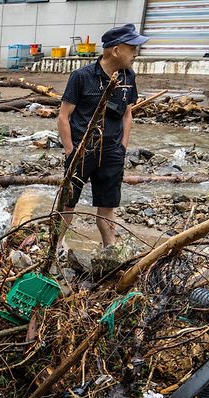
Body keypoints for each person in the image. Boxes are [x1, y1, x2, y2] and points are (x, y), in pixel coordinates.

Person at [57, 24, 149, 250]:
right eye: (132, 48)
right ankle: (55, 247)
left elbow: (127, 114)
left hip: (112, 153)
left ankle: (111, 250)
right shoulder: (81, 77)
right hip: (81, 150)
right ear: (116, 51)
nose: (136, 54)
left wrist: (122, 147)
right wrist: (71, 151)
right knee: (68, 204)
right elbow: (63, 116)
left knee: (108, 206)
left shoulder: (128, 77)